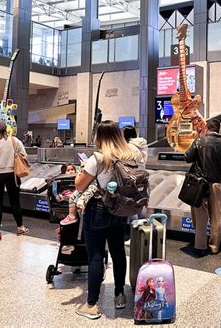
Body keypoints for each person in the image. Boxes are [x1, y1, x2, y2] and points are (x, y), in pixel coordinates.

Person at [74, 120, 143, 320]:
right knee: (118, 252)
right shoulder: (132, 154)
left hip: (98, 209)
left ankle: (92, 305)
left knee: (95, 255)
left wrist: (81, 171)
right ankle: (119, 296)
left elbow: (79, 185)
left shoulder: (98, 158)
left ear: (99, 136)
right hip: (121, 209)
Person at [185, 119, 221, 256]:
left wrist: (197, 137)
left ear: (207, 128)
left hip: (199, 184)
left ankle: (200, 246)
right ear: (218, 130)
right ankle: (214, 246)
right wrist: (220, 176)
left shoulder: (200, 141)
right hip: (216, 184)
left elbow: (188, 157)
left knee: (200, 215)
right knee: (216, 216)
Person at [0, 120, 29, 240]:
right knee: (15, 202)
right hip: (12, 175)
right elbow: (24, 156)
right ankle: (20, 227)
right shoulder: (15, 141)